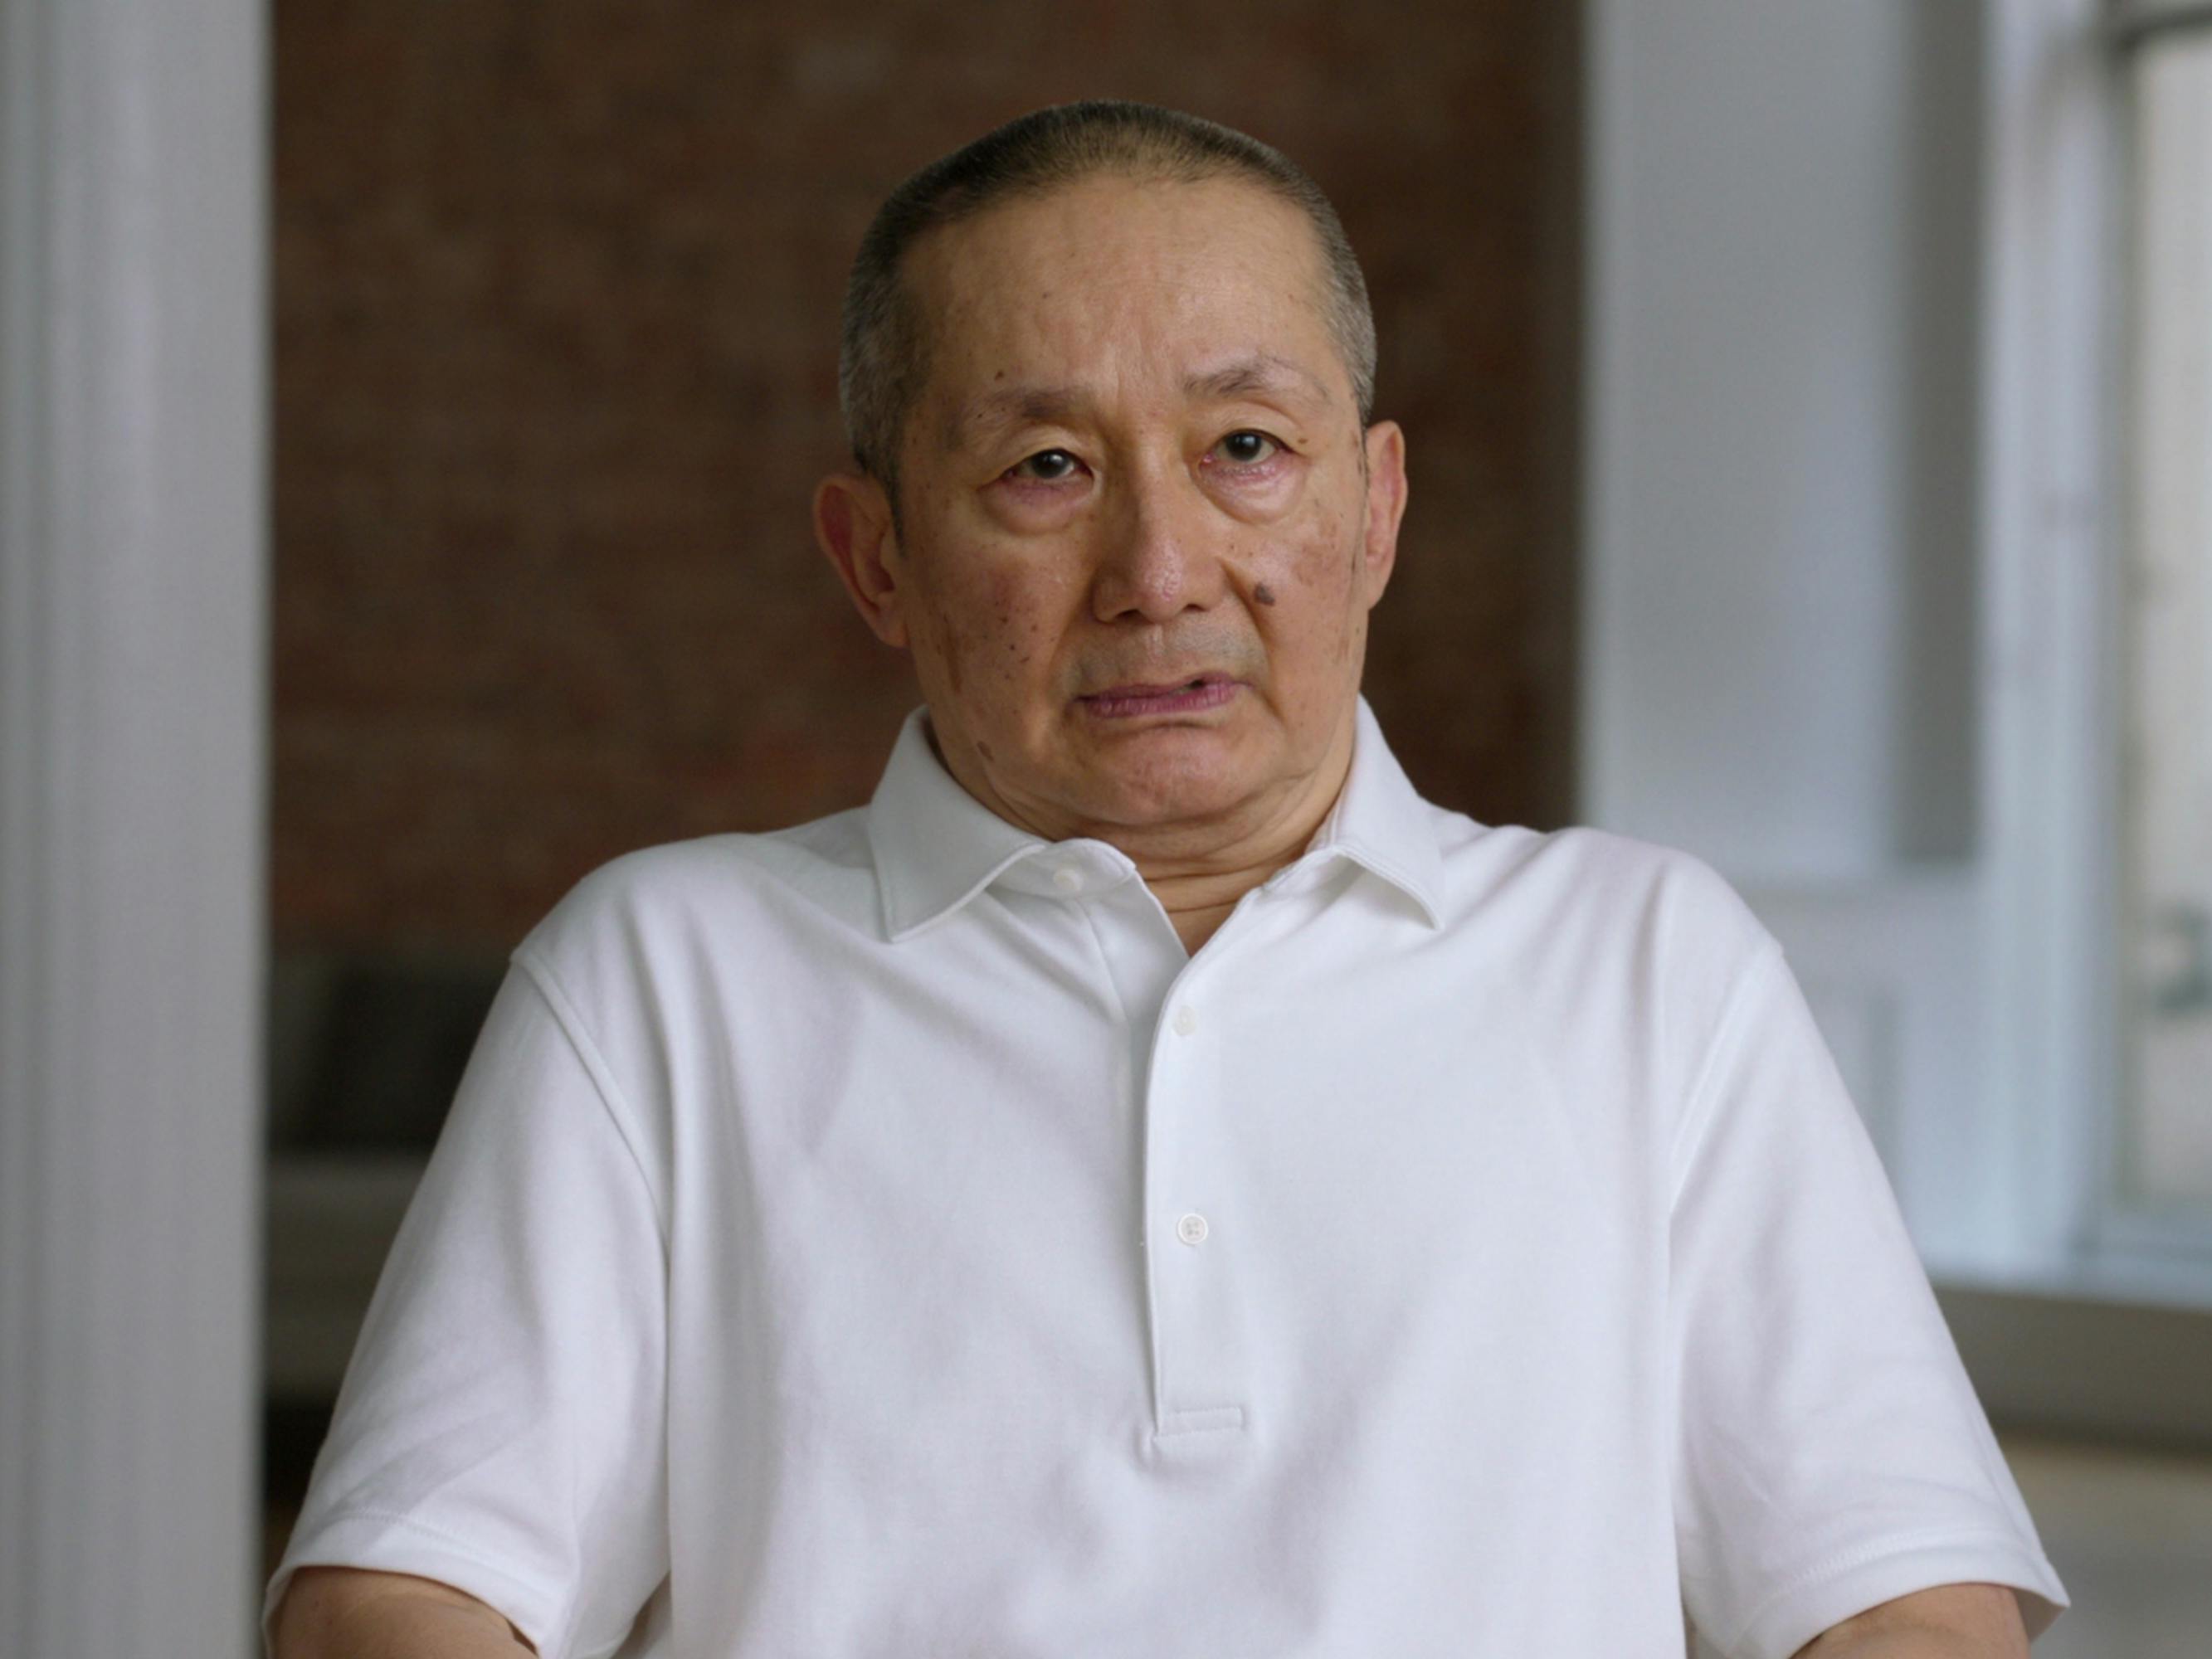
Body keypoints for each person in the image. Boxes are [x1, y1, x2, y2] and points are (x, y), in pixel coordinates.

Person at [266, 100, 2068, 1659]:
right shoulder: (665, 976)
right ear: (875, 556)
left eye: (1245, 450)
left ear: (1371, 511)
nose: (1158, 564)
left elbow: (1903, 1598)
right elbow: (398, 1599)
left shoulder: (1646, 968)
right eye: (1043, 468)